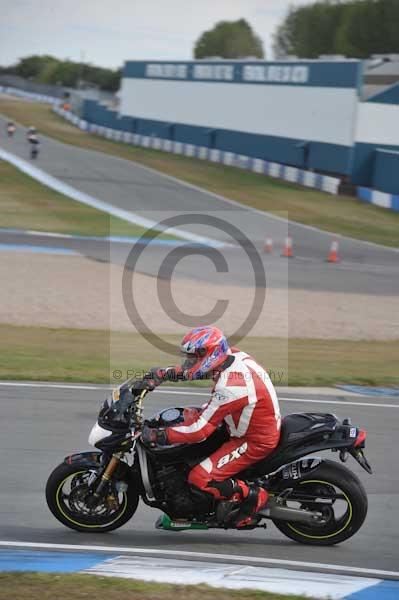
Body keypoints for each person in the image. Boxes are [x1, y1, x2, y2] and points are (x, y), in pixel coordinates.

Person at [138, 325, 281, 528]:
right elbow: (195, 371)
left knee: (200, 477)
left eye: (193, 357)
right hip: (238, 422)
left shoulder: (231, 387)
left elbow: (198, 431)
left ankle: (254, 497)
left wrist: (157, 436)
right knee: (185, 418)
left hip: (253, 439)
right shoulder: (233, 357)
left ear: (210, 354)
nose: (189, 362)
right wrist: (163, 374)